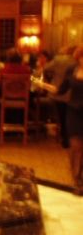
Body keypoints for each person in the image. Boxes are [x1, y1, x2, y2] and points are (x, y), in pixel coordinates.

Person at [33, 45, 83, 194]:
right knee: (75, 146)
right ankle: (77, 181)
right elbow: (60, 90)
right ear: (79, 58)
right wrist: (42, 85)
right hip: (73, 111)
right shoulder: (72, 70)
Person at [42, 45, 77, 148]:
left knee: (62, 117)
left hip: (59, 93)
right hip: (74, 95)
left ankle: (64, 139)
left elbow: (46, 68)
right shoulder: (76, 62)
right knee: (72, 118)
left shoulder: (59, 60)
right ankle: (71, 138)